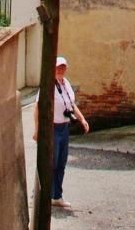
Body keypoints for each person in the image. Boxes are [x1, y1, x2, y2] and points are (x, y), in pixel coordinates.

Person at [33, 55, 89, 209]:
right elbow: (37, 107)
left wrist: (82, 119)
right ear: (53, 68)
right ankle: (39, 194)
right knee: (50, 162)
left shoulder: (66, 84)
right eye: (58, 67)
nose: (61, 70)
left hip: (63, 128)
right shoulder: (49, 85)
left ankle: (57, 196)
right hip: (51, 127)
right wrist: (37, 129)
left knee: (61, 163)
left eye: (63, 67)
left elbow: (71, 105)